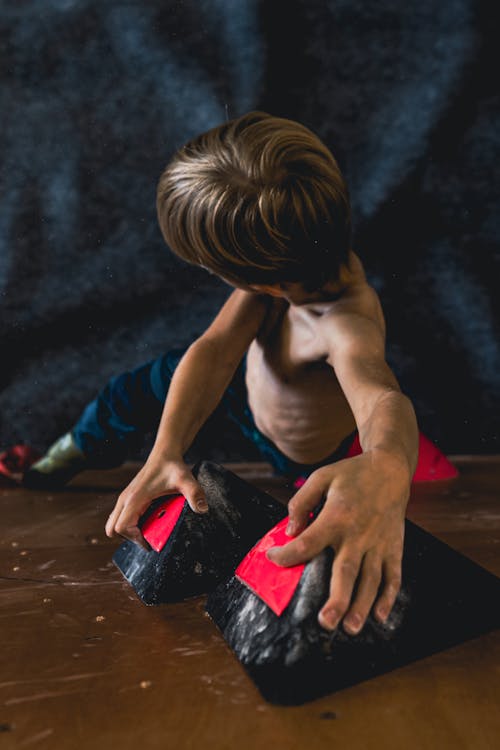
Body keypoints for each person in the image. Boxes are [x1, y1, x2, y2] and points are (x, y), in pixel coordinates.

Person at [24, 111, 419, 636]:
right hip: (246, 397)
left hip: (301, 454)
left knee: (323, 486)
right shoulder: (285, 265)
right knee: (142, 387)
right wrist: (166, 449)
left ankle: (406, 458)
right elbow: (213, 351)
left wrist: (388, 464)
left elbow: (381, 398)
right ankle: (58, 458)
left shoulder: (344, 324)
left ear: (259, 277)